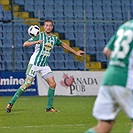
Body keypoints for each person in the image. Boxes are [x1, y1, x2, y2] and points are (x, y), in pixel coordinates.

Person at [6, 19, 84, 113]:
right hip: (34, 63)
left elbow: (63, 44)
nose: (48, 27)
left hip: (44, 65)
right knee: (27, 84)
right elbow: (25, 44)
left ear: (52, 27)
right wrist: (36, 42)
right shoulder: (39, 35)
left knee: (53, 84)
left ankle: (48, 108)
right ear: (44, 27)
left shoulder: (54, 38)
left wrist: (75, 52)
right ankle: (11, 103)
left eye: (50, 25)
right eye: (46, 25)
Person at [85, 20, 133, 133]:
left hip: (109, 77)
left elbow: (107, 50)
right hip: (126, 80)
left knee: (104, 125)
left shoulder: (125, 26)